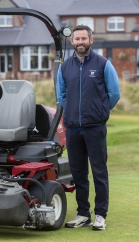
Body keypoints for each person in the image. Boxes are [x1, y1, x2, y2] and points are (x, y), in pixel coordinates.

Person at [56, 24, 120, 231]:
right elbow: (61, 96)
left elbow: (114, 94)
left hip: (95, 128)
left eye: (84, 39)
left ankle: (100, 214)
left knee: (99, 172)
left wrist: (99, 111)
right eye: (77, 39)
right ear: (72, 41)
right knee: (78, 172)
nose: (80, 42)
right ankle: (83, 213)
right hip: (73, 128)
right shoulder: (65, 67)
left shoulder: (103, 64)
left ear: (91, 40)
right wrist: (73, 114)